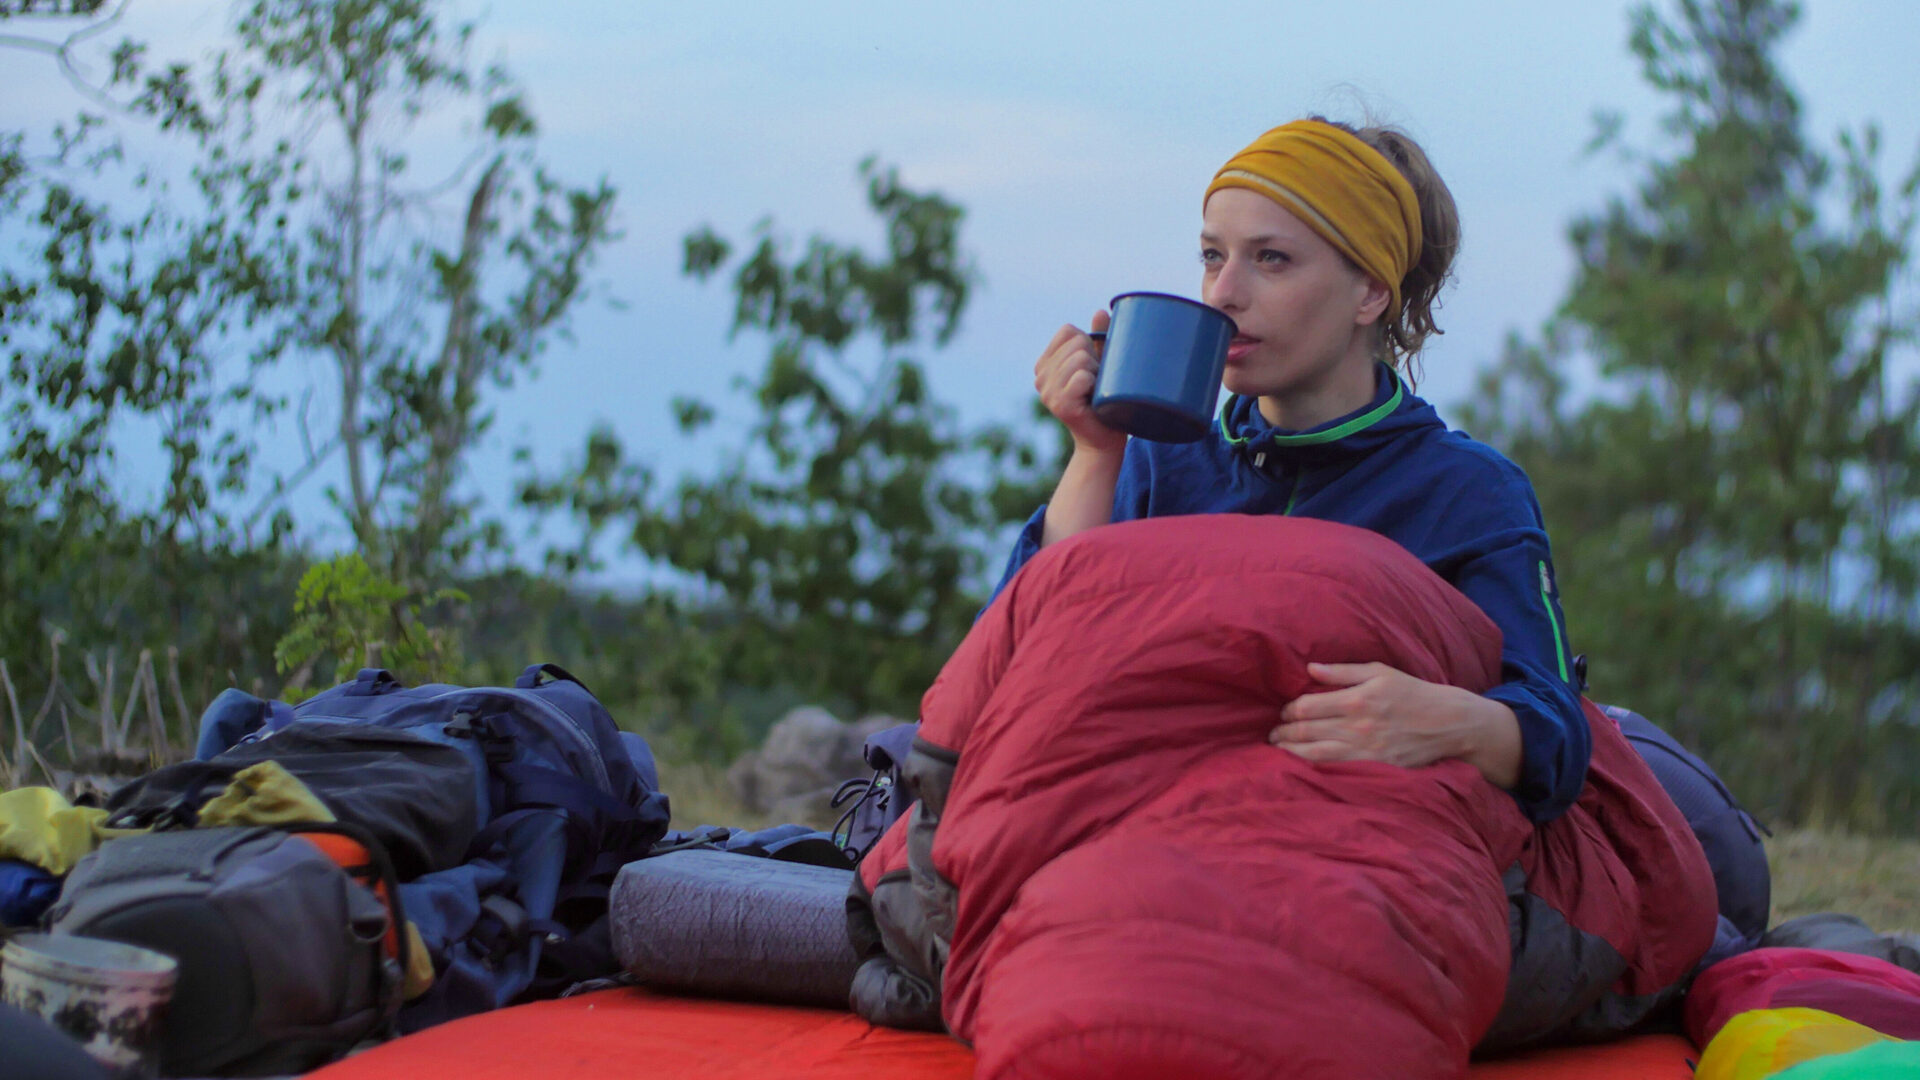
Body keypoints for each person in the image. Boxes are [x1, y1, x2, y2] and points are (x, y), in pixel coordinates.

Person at [993, 117, 1590, 822]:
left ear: (1369, 292)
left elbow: (1558, 732)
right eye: (1213, 256)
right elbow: (1011, 676)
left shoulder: (1465, 491)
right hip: (1136, 823)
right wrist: (1094, 454)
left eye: (1271, 259)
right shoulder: (1160, 459)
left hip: (1343, 855)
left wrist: (1452, 721)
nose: (1223, 293)